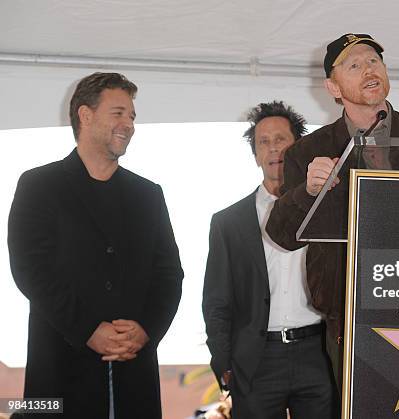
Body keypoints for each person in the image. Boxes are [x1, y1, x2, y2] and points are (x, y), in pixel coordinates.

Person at [265, 33, 399, 387]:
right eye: (354, 65)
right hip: (349, 314)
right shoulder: (308, 151)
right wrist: (308, 190)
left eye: (374, 61)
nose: (368, 69)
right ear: (333, 88)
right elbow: (282, 235)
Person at [7, 72, 183, 418]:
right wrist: (88, 329)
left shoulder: (148, 194)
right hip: (61, 369)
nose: (129, 124)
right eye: (118, 113)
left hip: (134, 374)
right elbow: (30, 270)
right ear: (85, 116)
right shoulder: (39, 185)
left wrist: (147, 330)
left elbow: (169, 274)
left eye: (132, 116)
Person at [203, 101, 337, 419]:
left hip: (318, 352)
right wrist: (223, 362)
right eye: (264, 141)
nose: (273, 148)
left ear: (298, 147)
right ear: (255, 154)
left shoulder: (329, 208)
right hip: (257, 359)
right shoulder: (229, 222)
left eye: (281, 139)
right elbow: (216, 301)